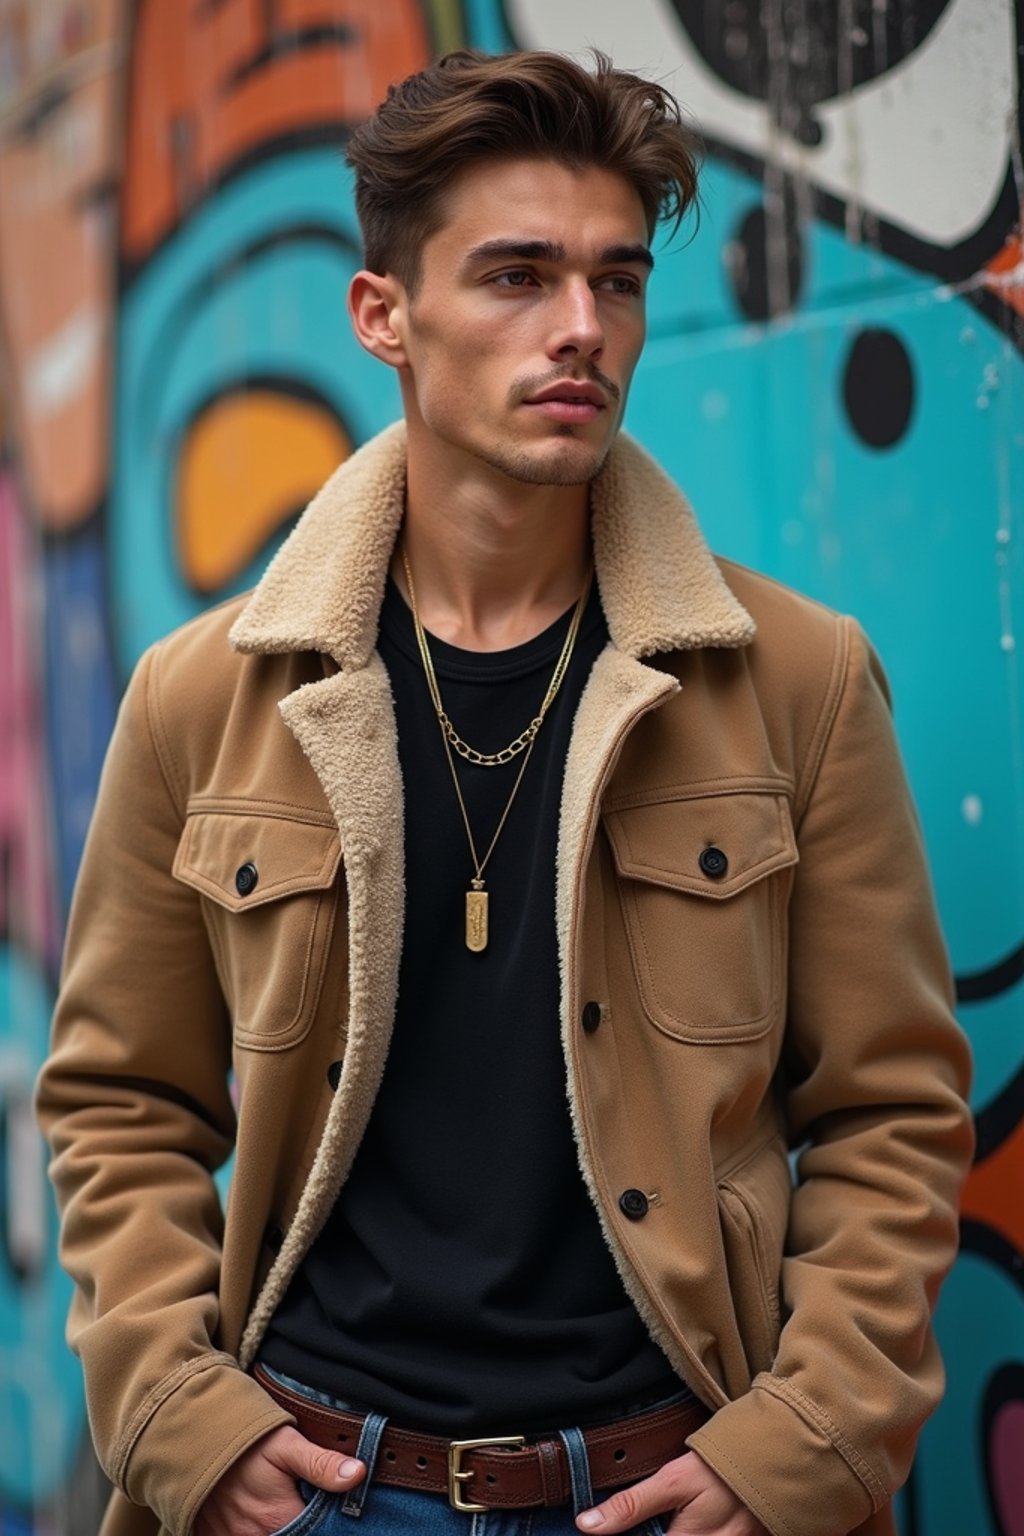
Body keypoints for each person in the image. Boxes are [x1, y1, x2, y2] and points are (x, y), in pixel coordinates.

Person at [37, 48, 973, 1536]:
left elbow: (892, 1112)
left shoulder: (795, 680)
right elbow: (119, 1104)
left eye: (616, 280)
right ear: (384, 316)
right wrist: (177, 1415)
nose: (581, 330)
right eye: (518, 278)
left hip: (665, 1486)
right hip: (315, 1487)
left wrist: (803, 1445)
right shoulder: (206, 696)